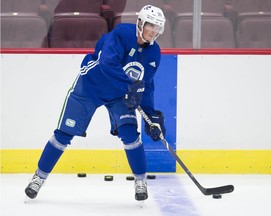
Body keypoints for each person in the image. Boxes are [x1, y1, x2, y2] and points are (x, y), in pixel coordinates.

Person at [25, 5, 167, 202]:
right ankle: (38, 178)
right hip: (90, 87)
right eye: (151, 25)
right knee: (64, 134)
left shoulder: (154, 53)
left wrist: (151, 116)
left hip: (119, 94)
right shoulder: (121, 34)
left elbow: (147, 85)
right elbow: (108, 63)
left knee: (130, 135)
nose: (154, 31)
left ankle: (140, 181)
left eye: (158, 28)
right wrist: (130, 85)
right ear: (141, 23)